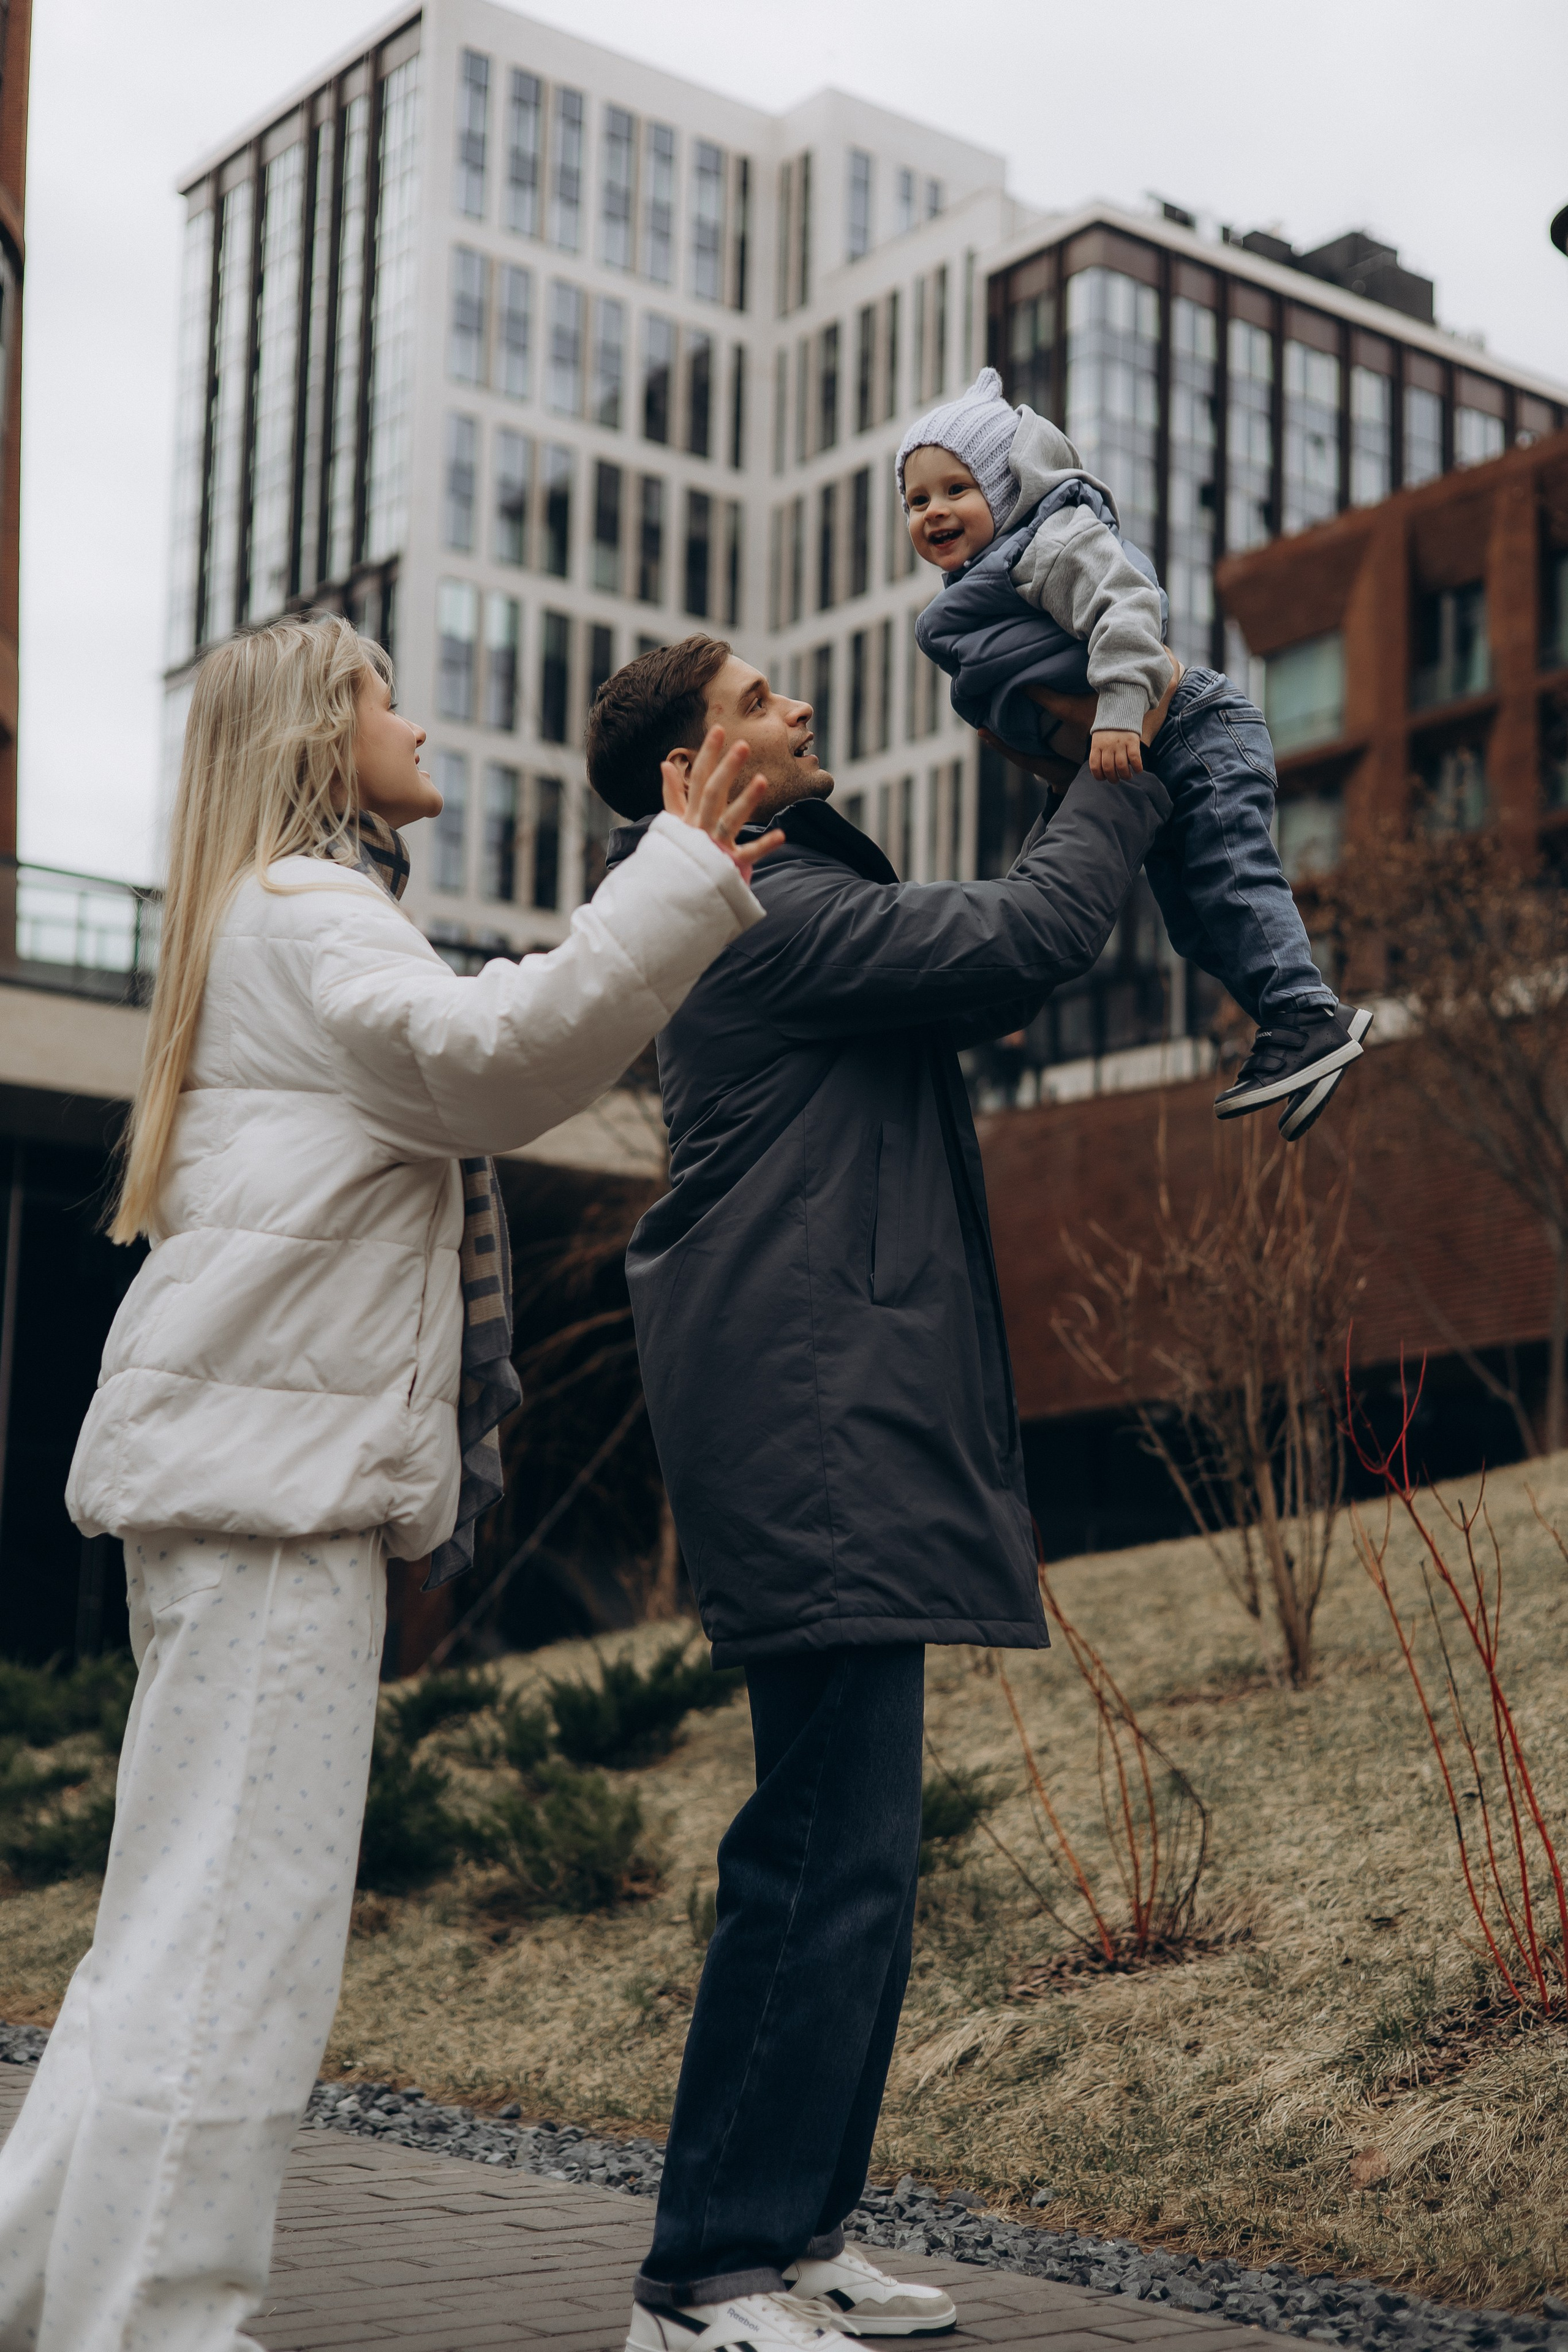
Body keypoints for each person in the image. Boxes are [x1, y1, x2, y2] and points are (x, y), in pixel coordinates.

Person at [0, 612, 780, 2352]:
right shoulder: (307, 907)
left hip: (239, 1492)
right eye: (380, 695)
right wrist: (680, 865)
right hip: (272, 1508)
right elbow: (488, 1063)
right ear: (311, 734)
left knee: (163, 1947)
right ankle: (159, 2331)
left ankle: (48, 2300)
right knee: (236, 1956)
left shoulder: (268, 918)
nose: (413, 719)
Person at [584, 635, 1175, 2352]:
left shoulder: (786, 898)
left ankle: (796, 2234)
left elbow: (990, 976)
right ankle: (704, 2280)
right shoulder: (749, 905)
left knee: (860, 1864)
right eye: (765, 699)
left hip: (832, 1409)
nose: (802, 710)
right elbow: (1027, 933)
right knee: (814, 1865)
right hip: (813, 1421)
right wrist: (1120, 762)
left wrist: (1070, 782)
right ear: (708, 761)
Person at [902, 367, 1372, 1141]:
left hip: (1189, 724)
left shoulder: (1052, 540)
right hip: (1136, 753)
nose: (933, 512)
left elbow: (1130, 609)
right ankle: (1293, 1026)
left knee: (1231, 873)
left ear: (1006, 485)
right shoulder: (975, 595)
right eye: (916, 501)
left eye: (956, 490)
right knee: (1190, 921)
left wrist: (1120, 714)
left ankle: (1304, 1013)